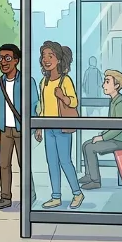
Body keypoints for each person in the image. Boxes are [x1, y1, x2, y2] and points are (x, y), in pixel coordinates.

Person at [34, 41, 84, 209]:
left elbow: (74, 102)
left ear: (59, 59)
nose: (46, 59)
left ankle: (77, 193)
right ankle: (56, 196)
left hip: (62, 128)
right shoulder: (44, 82)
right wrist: (39, 126)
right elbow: (42, 106)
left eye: (50, 56)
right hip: (48, 127)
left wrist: (62, 97)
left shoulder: (65, 80)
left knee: (65, 161)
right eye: (43, 56)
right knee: (52, 162)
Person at [0, 43, 41, 210]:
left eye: (7, 58)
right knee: (3, 164)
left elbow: (34, 104)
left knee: (23, 163)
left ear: (16, 60)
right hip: (5, 130)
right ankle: (5, 197)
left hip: (22, 129)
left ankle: (29, 195)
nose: (3, 62)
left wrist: (35, 126)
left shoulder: (27, 81)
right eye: (0, 58)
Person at [78, 69, 122, 190]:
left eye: (107, 82)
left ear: (116, 85)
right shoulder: (114, 101)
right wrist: (103, 135)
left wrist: (102, 137)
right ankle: (89, 175)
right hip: (114, 138)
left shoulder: (120, 103)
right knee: (86, 144)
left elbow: (119, 127)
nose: (103, 85)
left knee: (90, 147)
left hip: (119, 141)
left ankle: (95, 181)